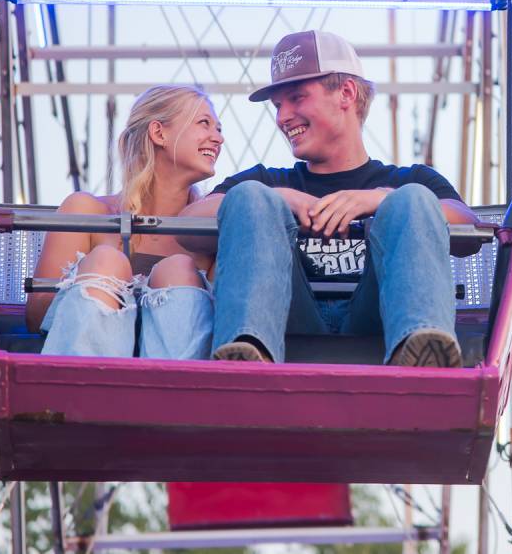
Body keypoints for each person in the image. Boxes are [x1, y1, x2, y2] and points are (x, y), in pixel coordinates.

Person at [179, 30, 479, 367]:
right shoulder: (266, 180)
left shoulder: (409, 180)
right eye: (278, 106)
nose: (282, 116)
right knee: (248, 196)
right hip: (290, 318)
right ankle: (249, 348)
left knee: (412, 198)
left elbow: (468, 229)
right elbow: (188, 226)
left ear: (346, 93)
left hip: (377, 316)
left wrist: (381, 200)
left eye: (297, 98)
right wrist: (278, 198)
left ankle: (421, 346)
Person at [26, 85, 223, 360]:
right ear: (159, 133)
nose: (218, 139)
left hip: (172, 365)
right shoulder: (86, 211)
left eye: (219, 129)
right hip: (84, 363)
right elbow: (37, 316)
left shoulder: (208, 234)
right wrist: (115, 291)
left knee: (178, 268)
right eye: (205, 124)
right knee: (108, 261)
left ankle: (172, 396)